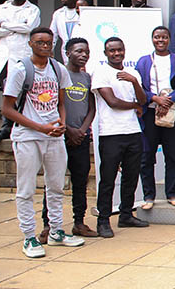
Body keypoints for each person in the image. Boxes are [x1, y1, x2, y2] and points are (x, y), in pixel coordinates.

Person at [4, 27, 84, 258]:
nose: (45, 46)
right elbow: (8, 109)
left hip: (54, 136)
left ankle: (56, 231)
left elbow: (61, 102)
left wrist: (61, 123)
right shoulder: (21, 70)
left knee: (56, 186)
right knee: (27, 188)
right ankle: (29, 236)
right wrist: (41, 127)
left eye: (48, 42)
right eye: (40, 42)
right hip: (28, 136)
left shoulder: (58, 69)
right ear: (31, 44)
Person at [38, 38, 97, 240]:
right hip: (59, 137)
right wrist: (68, 129)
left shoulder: (87, 78)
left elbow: (91, 107)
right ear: (68, 52)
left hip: (80, 138)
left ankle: (79, 222)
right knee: (53, 182)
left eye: (86, 52)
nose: (83, 55)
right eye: (79, 51)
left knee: (80, 182)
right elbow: (52, 104)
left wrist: (81, 130)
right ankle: (48, 225)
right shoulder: (57, 75)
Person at [92, 37, 149, 237]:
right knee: (108, 179)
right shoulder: (101, 72)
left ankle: (126, 215)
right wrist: (134, 106)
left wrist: (134, 82)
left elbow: (143, 100)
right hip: (111, 132)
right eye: (112, 51)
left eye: (119, 50)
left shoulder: (132, 73)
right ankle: (103, 221)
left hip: (132, 130)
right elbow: (112, 101)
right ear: (106, 53)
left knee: (131, 175)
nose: (116, 54)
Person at [134, 26, 175, 210]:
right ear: (152, 39)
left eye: (164, 37)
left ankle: (172, 194)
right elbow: (138, 85)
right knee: (146, 155)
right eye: (157, 37)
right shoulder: (143, 62)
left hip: (171, 113)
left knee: (172, 155)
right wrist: (154, 98)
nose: (161, 40)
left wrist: (168, 101)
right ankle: (149, 196)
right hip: (149, 113)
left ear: (169, 39)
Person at [0, 0, 40, 141]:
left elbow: (29, 28)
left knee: (21, 91)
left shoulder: (32, 9)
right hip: (4, 56)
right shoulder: (1, 8)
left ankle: (20, 123)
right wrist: (15, 27)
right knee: (7, 90)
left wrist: (5, 25)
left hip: (21, 55)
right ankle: (7, 125)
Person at [50, 0, 80, 64]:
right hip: (66, 50)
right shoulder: (58, 13)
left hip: (81, 49)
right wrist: (49, 50)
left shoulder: (82, 11)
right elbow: (53, 34)